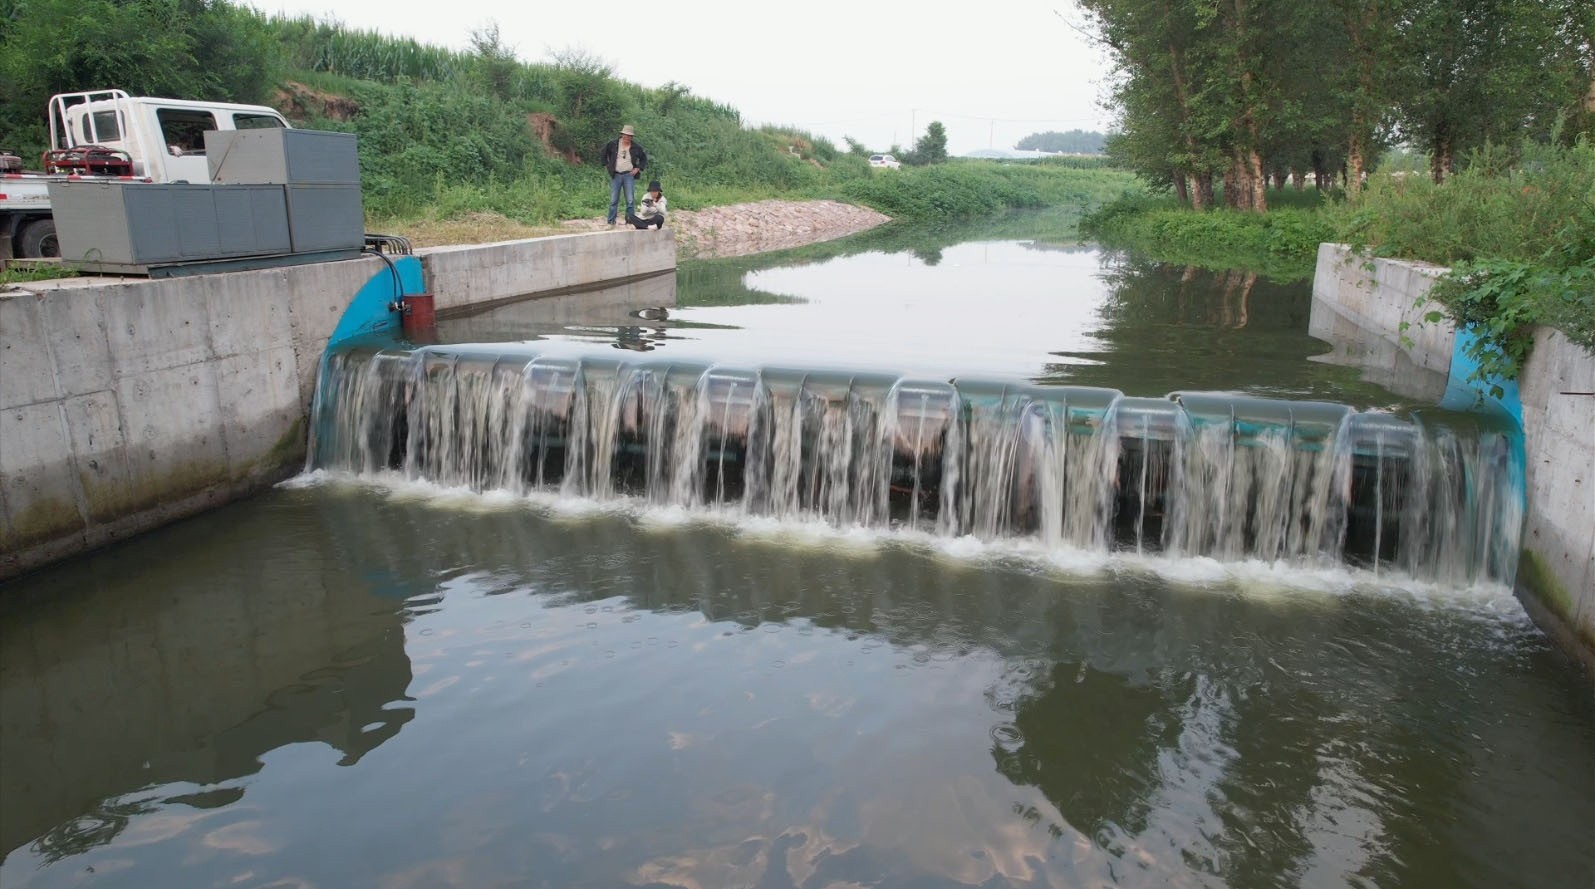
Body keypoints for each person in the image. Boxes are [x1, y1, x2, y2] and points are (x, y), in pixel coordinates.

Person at [600, 124, 647, 226]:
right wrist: (606, 165)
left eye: (630, 136)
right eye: (626, 135)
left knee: (630, 200)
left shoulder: (636, 147)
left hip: (629, 175)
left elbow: (644, 158)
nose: (627, 137)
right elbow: (603, 153)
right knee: (613, 200)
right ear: (622, 135)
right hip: (616, 175)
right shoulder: (613, 144)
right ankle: (611, 221)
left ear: (632, 137)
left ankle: (630, 221)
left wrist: (638, 168)